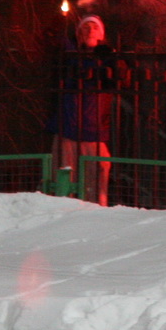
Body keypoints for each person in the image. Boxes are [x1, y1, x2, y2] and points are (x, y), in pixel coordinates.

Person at [50, 14, 123, 205]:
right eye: (85, 27)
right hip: (67, 130)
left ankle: (95, 216)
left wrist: (111, 58)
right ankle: (64, 215)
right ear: (78, 34)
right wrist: (60, 25)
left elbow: (120, 79)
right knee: (65, 185)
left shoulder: (107, 56)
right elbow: (56, 47)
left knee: (96, 182)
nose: (90, 31)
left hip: (94, 131)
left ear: (102, 35)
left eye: (95, 28)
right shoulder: (68, 54)